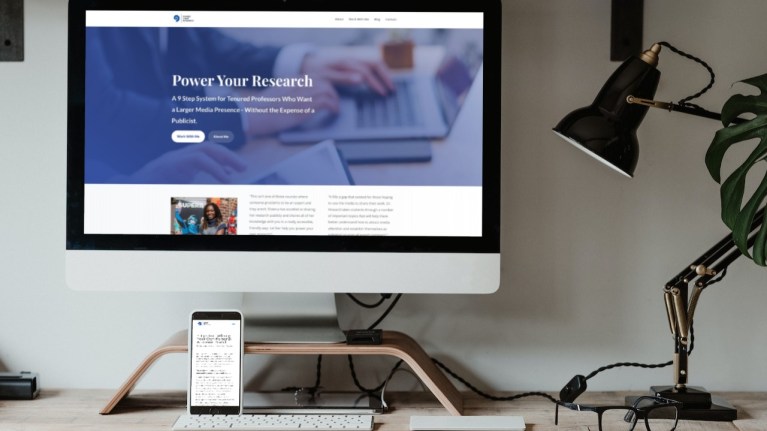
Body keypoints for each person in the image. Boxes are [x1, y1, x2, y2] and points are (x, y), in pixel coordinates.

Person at [84, 27, 393, 185]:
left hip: (172, 172)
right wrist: (248, 115)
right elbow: (102, 113)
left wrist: (301, 63)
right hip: (129, 185)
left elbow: (197, 41)